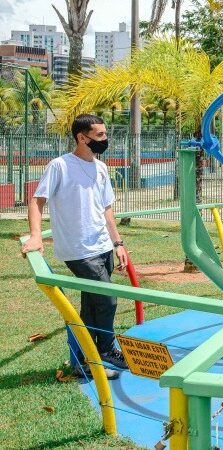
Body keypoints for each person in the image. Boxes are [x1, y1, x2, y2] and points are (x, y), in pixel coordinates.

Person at [21, 114, 130, 380]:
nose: (106, 140)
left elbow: (106, 211)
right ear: (82, 137)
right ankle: (105, 349)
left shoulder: (101, 168)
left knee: (92, 305)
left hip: (102, 245)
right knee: (107, 299)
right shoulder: (60, 166)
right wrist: (36, 235)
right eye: (100, 135)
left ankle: (86, 362)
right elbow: (37, 201)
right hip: (78, 249)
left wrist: (118, 243)